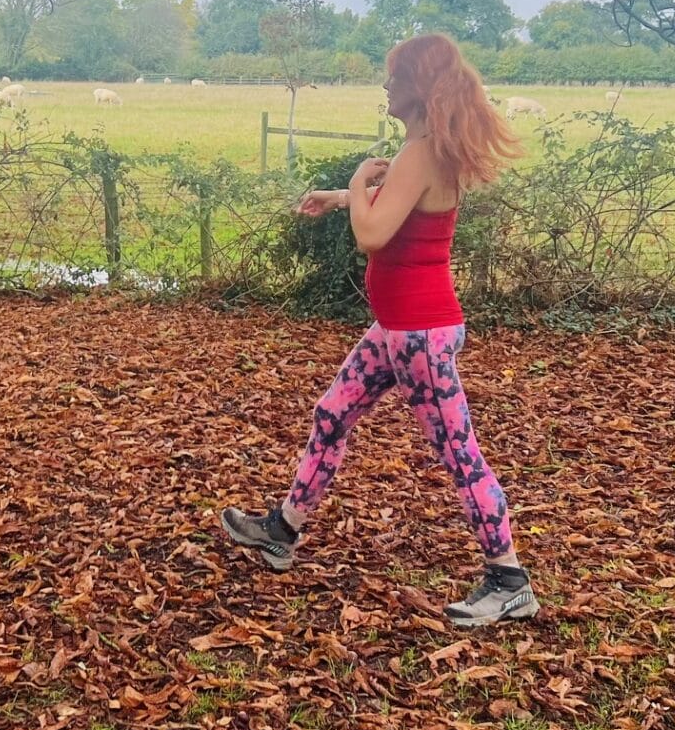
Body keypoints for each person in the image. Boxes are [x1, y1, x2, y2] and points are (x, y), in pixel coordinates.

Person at [221, 33, 536, 627]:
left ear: (419, 86)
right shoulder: (424, 148)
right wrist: (345, 194)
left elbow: (373, 233)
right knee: (332, 412)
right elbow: (395, 207)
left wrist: (361, 181)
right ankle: (282, 531)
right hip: (398, 330)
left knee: (459, 454)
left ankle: (508, 579)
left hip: (419, 335)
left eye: (394, 78)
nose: (386, 86)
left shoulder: (420, 153)